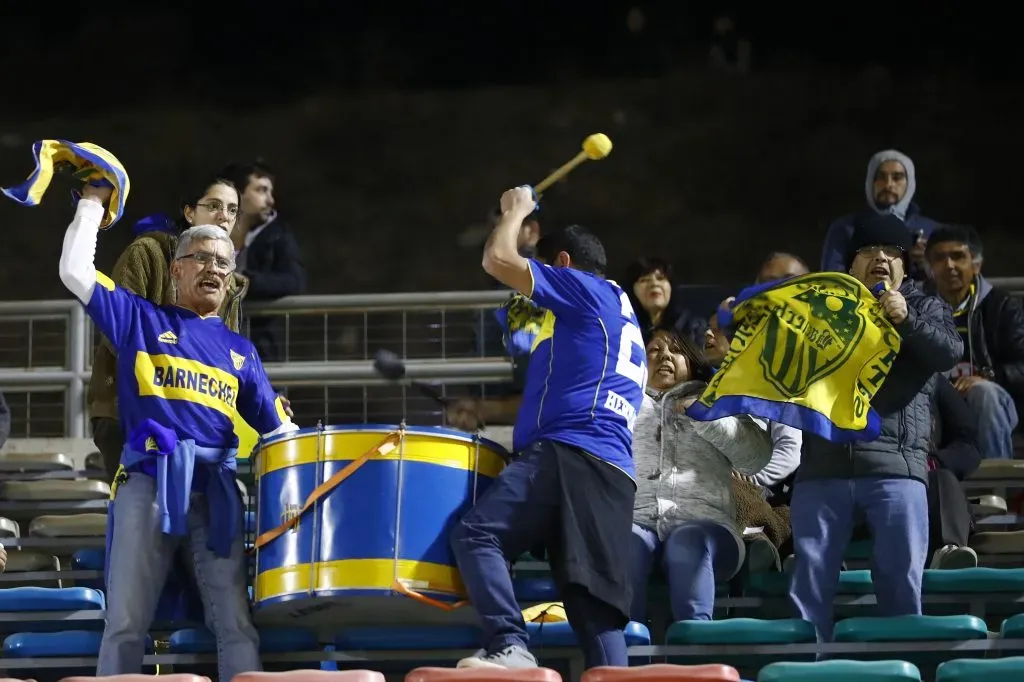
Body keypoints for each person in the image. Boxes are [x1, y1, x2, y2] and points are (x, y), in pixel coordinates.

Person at [59, 183, 297, 680]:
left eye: (224, 264)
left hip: (217, 492)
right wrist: (91, 203)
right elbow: (75, 272)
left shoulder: (241, 353)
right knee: (126, 621)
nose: (213, 269)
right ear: (176, 268)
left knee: (235, 621)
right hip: (148, 479)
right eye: (202, 258)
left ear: (232, 280)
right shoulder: (140, 319)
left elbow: (280, 434)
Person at [450, 187, 646, 670]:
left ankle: (509, 645)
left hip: (570, 453)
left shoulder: (582, 290)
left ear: (563, 261)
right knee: (591, 608)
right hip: (612, 469)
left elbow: (498, 259)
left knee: (478, 535)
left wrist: (514, 212)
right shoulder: (616, 313)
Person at [789, 213, 962, 643]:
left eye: (893, 252)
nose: (881, 258)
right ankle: (806, 672)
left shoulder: (924, 306)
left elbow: (948, 353)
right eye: (868, 251)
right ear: (850, 267)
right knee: (808, 592)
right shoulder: (821, 310)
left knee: (901, 589)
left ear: (905, 270)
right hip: (822, 470)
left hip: (896, 471)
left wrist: (906, 320)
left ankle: (902, 669)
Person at [89, 176, 250, 480]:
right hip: (129, 412)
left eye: (232, 210)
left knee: (191, 522)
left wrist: (258, 398)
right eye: (213, 206)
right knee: (138, 519)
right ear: (189, 212)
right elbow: (118, 330)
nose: (223, 216)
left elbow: (226, 358)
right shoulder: (147, 253)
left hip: (194, 418)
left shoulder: (227, 282)